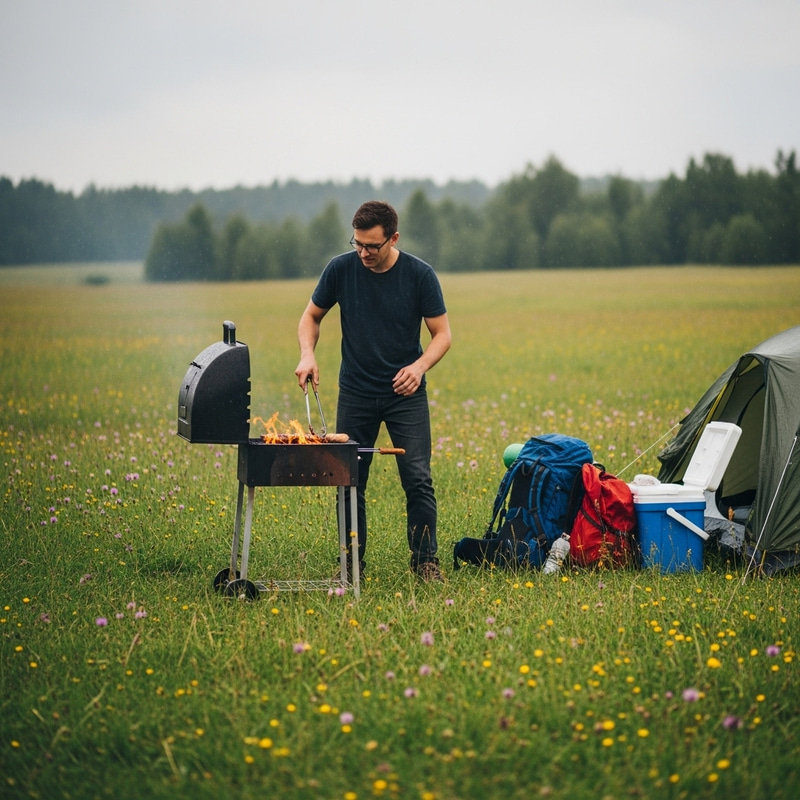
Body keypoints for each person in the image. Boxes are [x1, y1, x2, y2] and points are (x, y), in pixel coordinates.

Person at [295, 201, 452, 582]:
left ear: (393, 238)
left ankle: (425, 563)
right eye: (357, 244)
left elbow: (442, 335)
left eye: (372, 246)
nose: (363, 253)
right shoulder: (340, 269)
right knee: (349, 480)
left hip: (406, 395)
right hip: (356, 392)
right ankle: (350, 566)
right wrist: (307, 355)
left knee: (417, 478)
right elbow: (311, 316)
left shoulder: (419, 275)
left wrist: (418, 367)